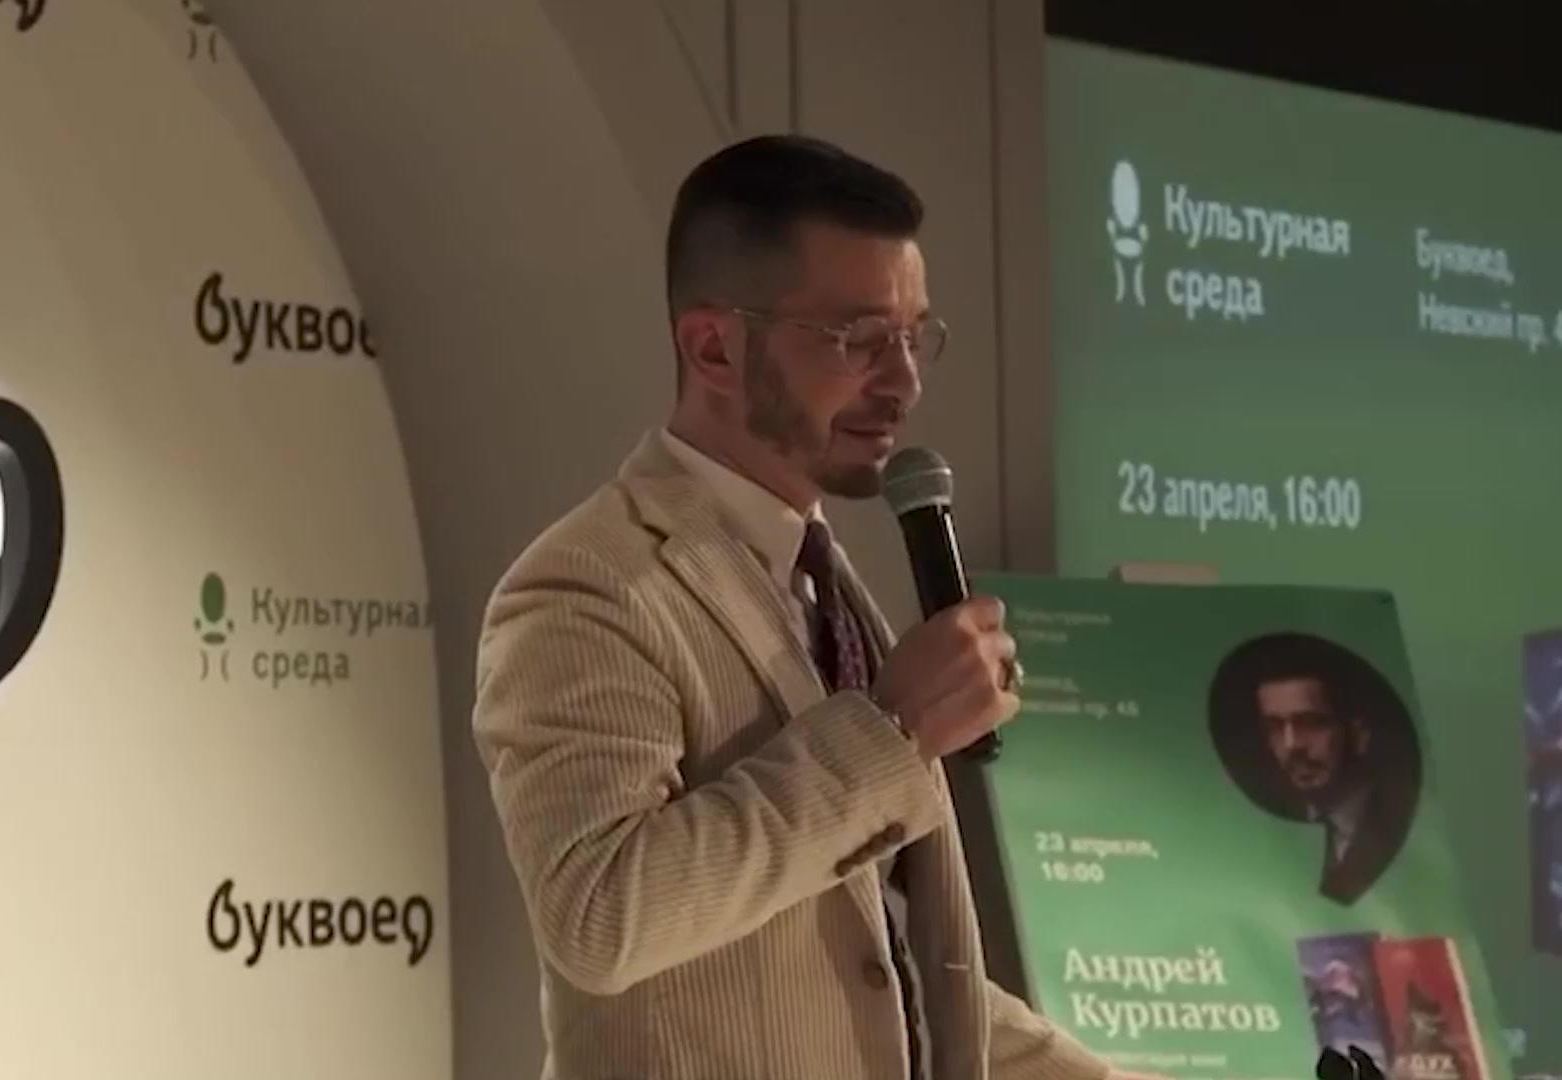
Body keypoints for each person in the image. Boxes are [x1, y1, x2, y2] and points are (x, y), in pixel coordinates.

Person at [472, 134, 1155, 1080]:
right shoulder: (590, 585)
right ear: (713, 346)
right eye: (858, 340)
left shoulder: (816, 573)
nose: (905, 381)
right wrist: (893, 730)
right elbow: (600, 918)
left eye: (915, 337)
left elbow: (895, 980)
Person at [1207, 633, 1419, 905]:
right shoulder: (1267, 841)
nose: (1291, 745)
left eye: (1311, 723)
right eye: (1274, 728)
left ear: (1359, 734)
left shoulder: (1402, 829)